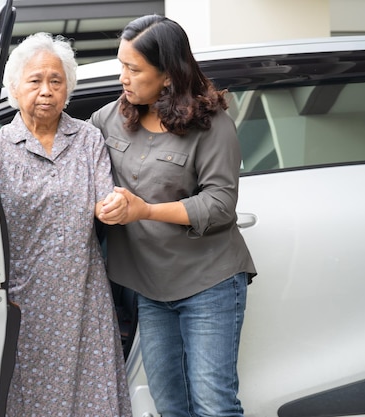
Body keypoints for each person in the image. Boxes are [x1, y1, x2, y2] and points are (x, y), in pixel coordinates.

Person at [91, 15, 257, 417]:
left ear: (167, 76)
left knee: (213, 404)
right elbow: (74, 159)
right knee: (170, 404)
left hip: (209, 283)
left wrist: (144, 210)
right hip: (150, 289)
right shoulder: (109, 118)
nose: (123, 78)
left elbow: (219, 205)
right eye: (121, 66)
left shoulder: (212, 125)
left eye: (133, 69)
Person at [0, 32, 132, 417]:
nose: (46, 90)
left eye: (56, 81)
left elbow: (106, 198)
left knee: (93, 393)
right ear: (15, 88)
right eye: (35, 80)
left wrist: (114, 206)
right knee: (30, 398)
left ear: (68, 88)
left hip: (83, 293)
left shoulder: (88, 138)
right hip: (23, 298)